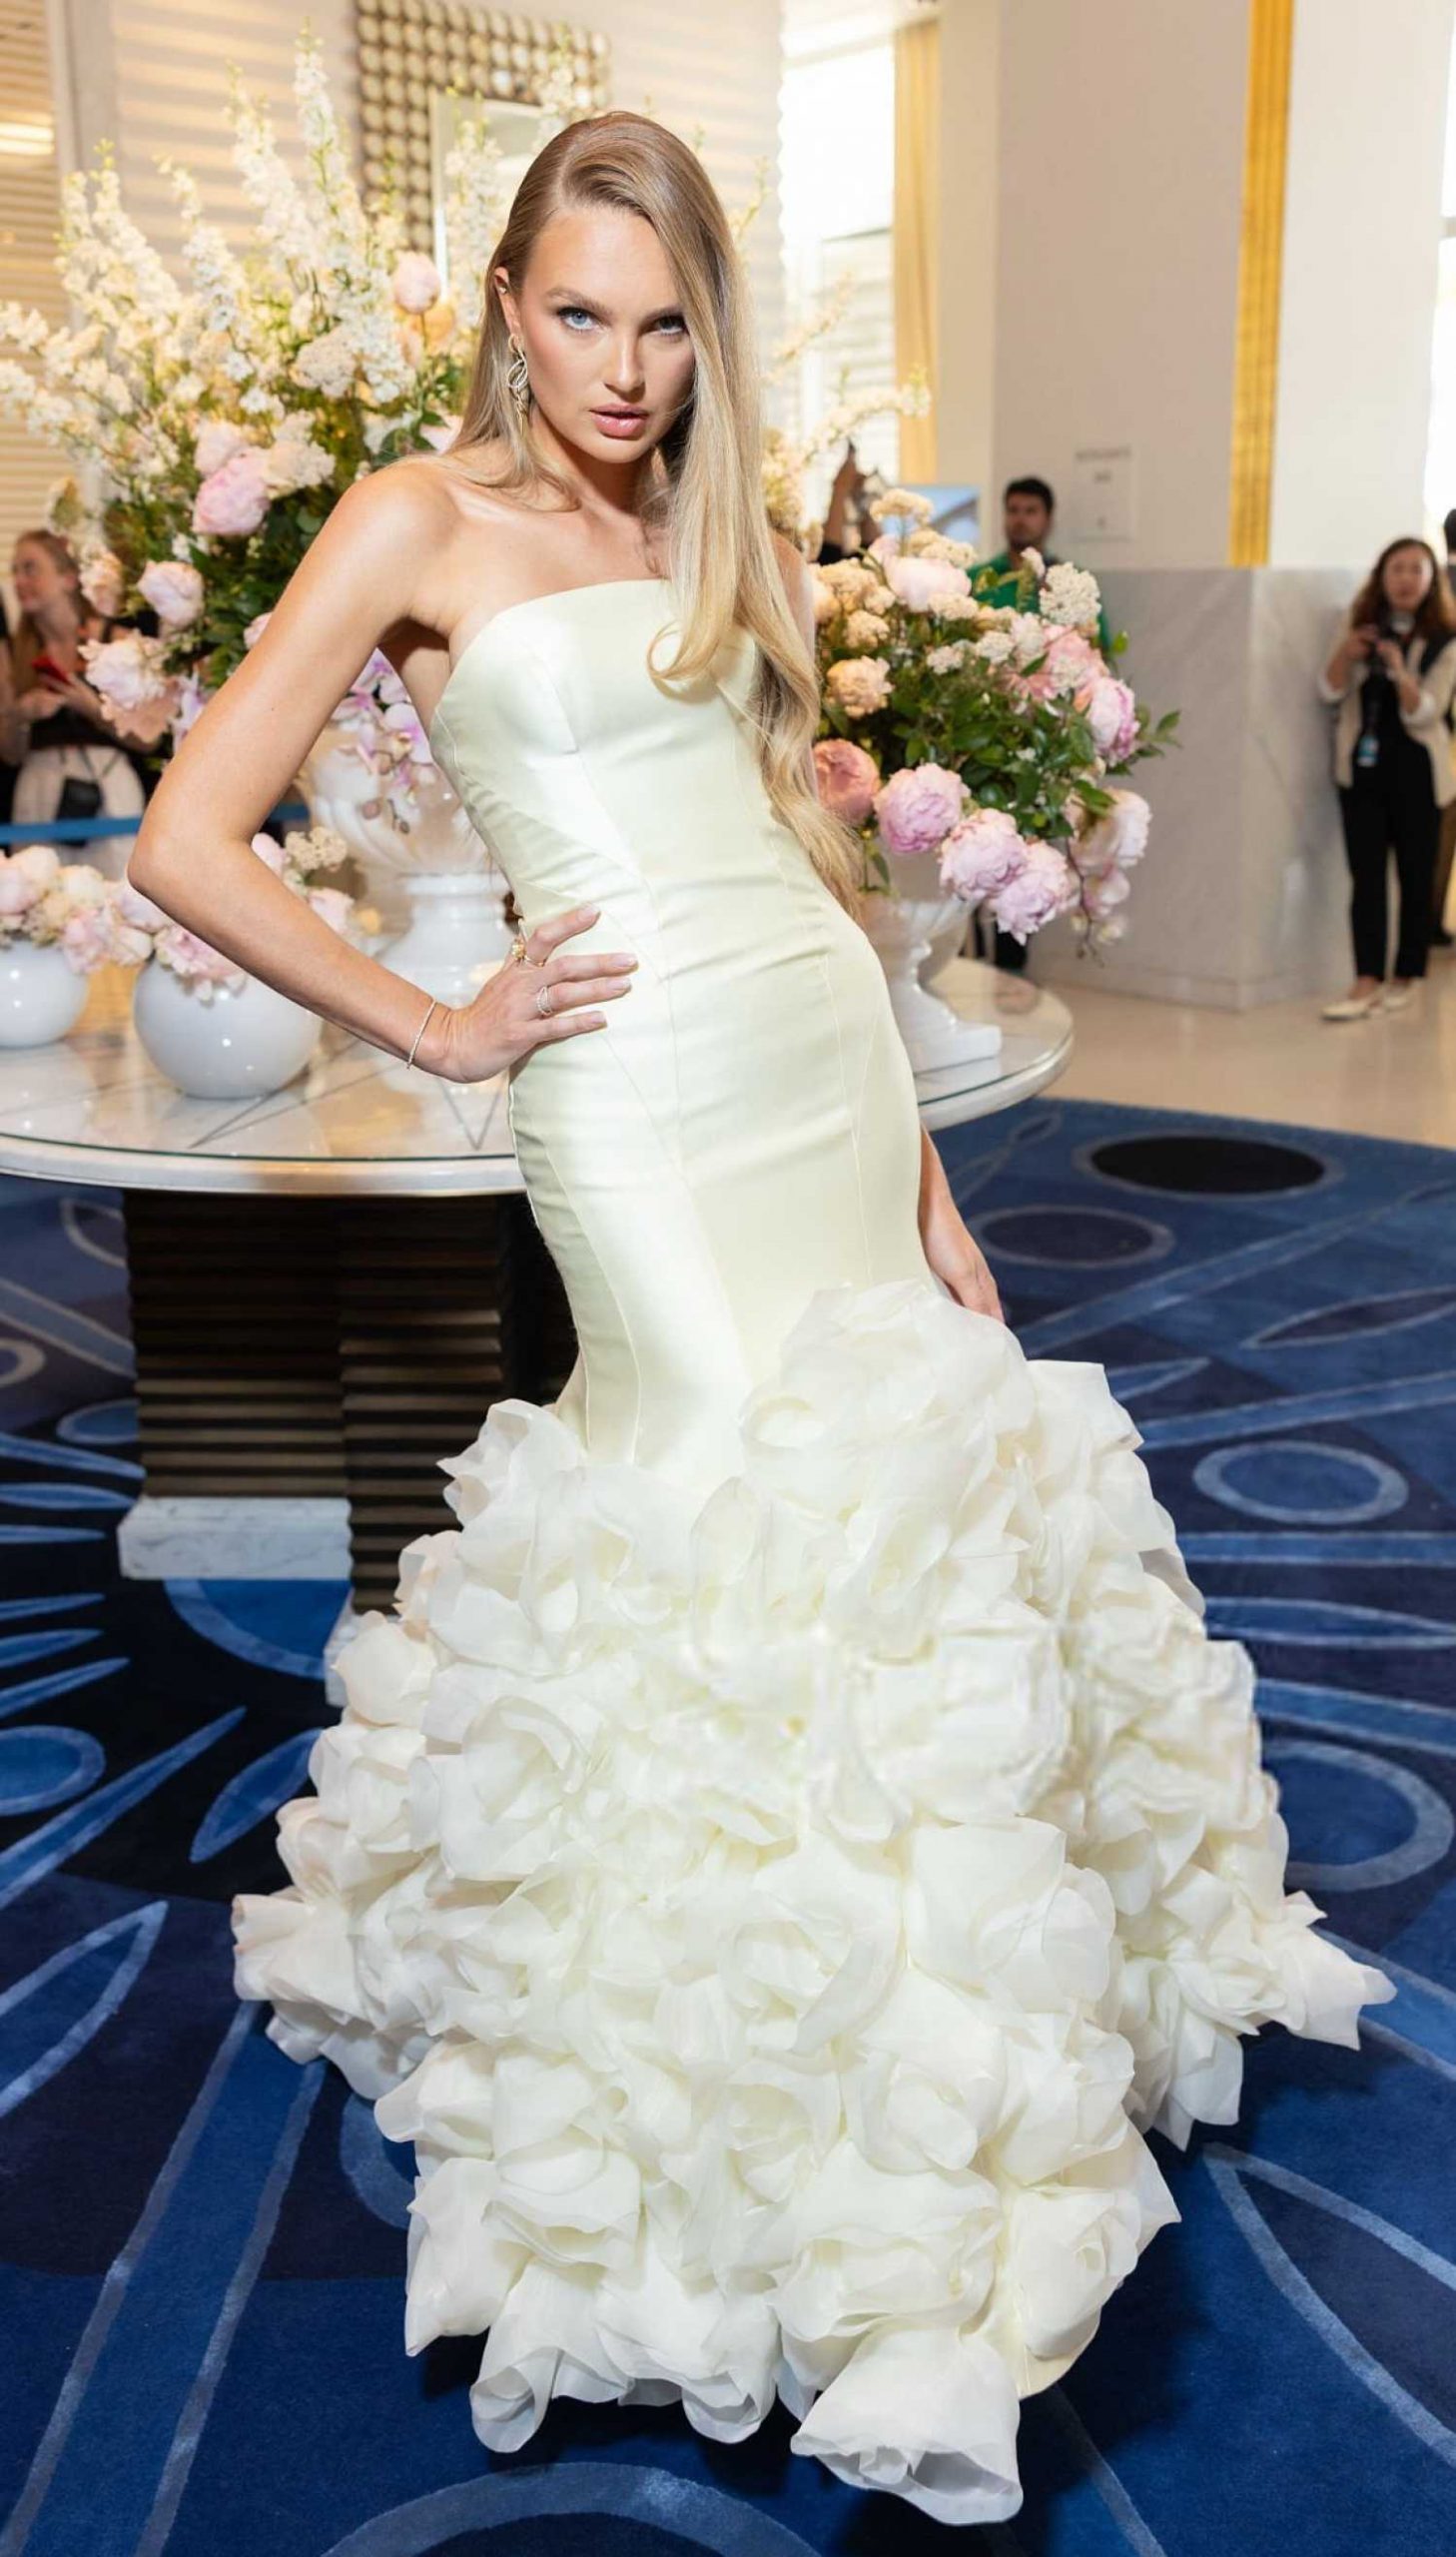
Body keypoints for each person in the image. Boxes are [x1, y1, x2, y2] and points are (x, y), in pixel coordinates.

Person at [129, 112, 1386, 2525]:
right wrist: (440, 1023)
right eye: (579, 314)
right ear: (509, 309)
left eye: (666, 322)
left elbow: (805, 858)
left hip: (817, 1067)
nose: (621, 368)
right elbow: (192, 830)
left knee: (895, 1521)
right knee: (718, 1514)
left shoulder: (724, 533)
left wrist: (923, 1174)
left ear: (710, 331)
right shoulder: (413, 519)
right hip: (631, 1107)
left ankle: (936, 2067)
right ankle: (743, 2119)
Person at [1317, 535, 1456, 1019]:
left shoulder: (1445, 638)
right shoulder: (1359, 625)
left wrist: (1399, 669)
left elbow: (1427, 711)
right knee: (1366, 878)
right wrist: (1348, 654)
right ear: (1381, 576)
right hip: (1362, 769)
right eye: (1397, 568)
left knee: (1416, 877)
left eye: (1417, 570)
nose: (1406, 579)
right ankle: (1366, 979)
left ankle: (1407, 974)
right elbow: (1328, 690)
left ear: (1431, 580)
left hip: (1418, 772)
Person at [0, 529, 149, 876]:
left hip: (109, 787)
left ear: (68, 578)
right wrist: (20, 716)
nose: (19, 581)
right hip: (38, 790)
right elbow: (10, 754)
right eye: (15, 571)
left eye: (30, 568)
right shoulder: (14, 654)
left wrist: (93, 710)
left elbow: (148, 740)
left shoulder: (117, 641)